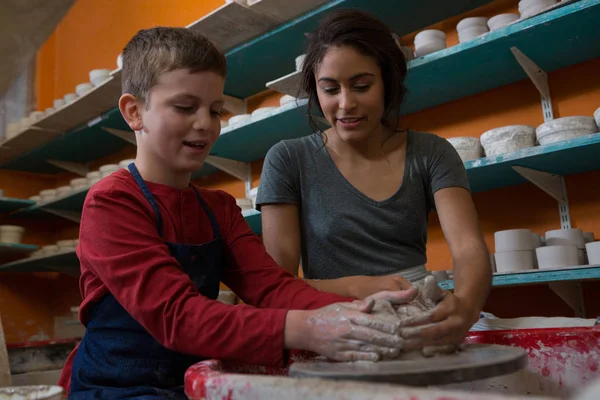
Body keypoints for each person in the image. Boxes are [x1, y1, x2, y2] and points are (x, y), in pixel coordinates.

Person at [58, 27, 420, 399]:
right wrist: (310, 327)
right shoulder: (112, 203)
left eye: (215, 110)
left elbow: (273, 288)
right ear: (134, 112)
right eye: (185, 107)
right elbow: (177, 315)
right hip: (115, 388)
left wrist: (367, 311)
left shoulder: (218, 208)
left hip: (191, 381)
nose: (204, 123)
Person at [257, 10, 492, 350]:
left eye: (362, 86)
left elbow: (470, 249)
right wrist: (359, 288)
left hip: (417, 316)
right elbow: (274, 285)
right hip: (328, 325)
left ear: (388, 83)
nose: (345, 103)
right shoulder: (288, 159)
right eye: (330, 89)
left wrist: (466, 308)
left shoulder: (431, 152)